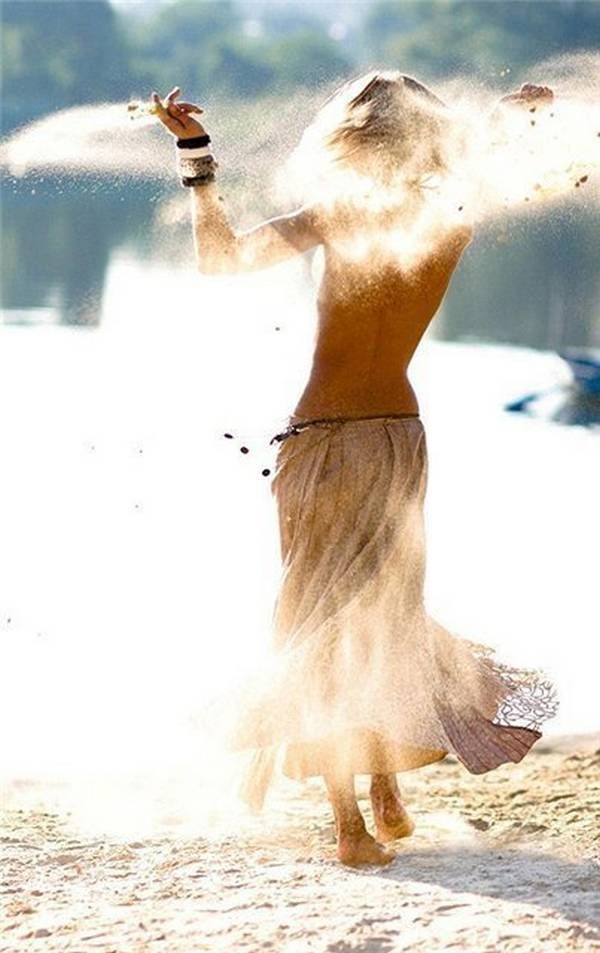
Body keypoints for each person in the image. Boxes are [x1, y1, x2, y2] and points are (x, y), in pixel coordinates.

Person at [152, 72, 557, 867]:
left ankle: (349, 822)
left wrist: (195, 154)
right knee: (385, 614)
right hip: (399, 439)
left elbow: (220, 261)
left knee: (316, 621)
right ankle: (384, 788)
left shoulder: (334, 217)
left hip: (325, 440)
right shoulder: (450, 217)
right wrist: (510, 117)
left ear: (352, 147)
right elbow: (489, 163)